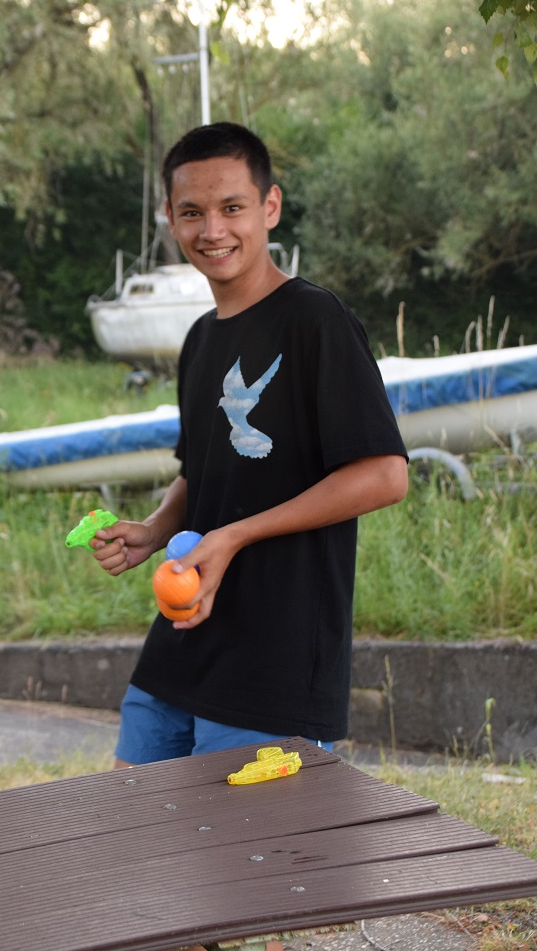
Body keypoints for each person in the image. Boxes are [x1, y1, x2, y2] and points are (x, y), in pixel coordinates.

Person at [91, 121, 409, 770]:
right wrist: (155, 528)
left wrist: (234, 537)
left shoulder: (315, 320)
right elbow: (203, 470)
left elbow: (384, 475)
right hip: (184, 635)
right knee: (128, 815)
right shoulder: (199, 339)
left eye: (232, 207)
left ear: (270, 207)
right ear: (170, 220)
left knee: (238, 839)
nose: (213, 230)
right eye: (192, 212)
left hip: (276, 655)